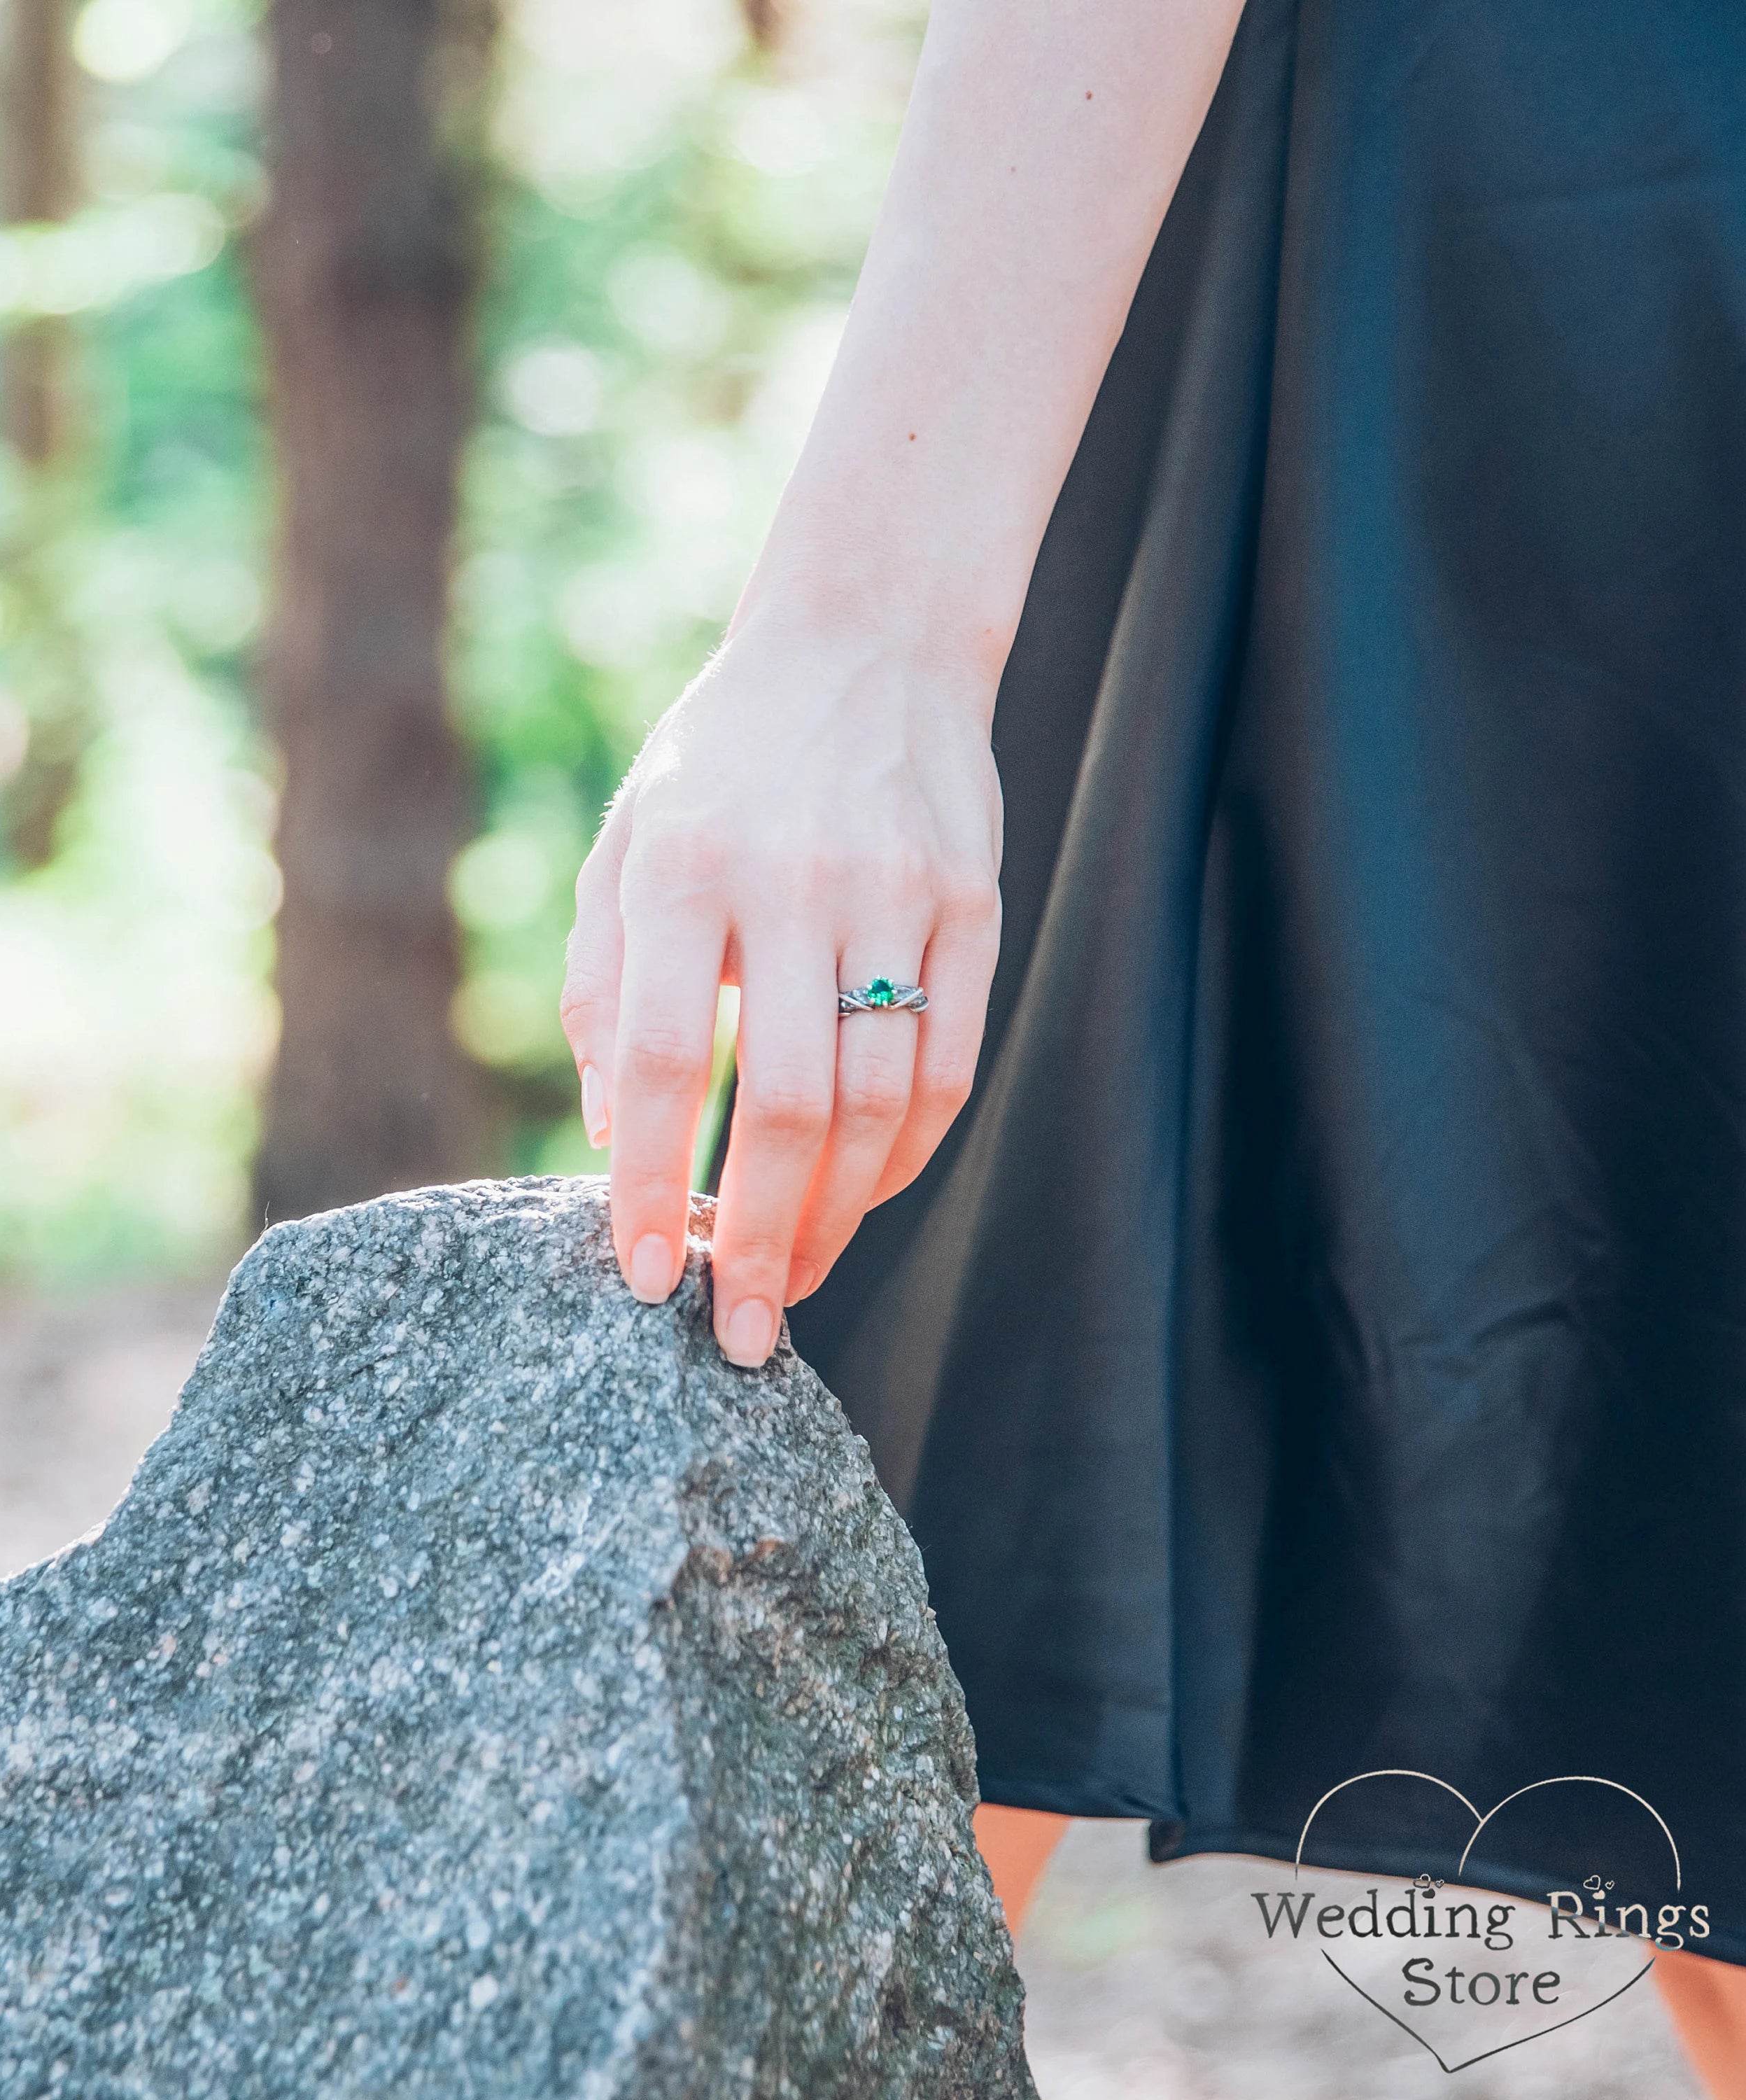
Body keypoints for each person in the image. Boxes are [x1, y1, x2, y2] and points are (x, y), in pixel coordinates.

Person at [560, 0, 1746, 2085]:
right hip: (1467, 236)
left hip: (1470, 231)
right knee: (838, 1576)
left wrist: (871, 624)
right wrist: (870, 625)